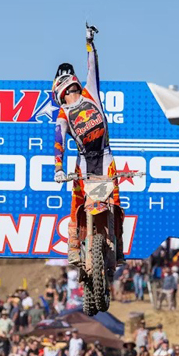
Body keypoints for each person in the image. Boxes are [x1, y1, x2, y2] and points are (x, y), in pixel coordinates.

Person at [52, 24, 124, 266]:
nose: (71, 93)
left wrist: (89, 43)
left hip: (104, 156)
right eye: (68, 91)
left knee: (115, 201)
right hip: (84, 161)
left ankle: (118, 246)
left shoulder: (89, 92)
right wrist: (58, 168)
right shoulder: (63, 114)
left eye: (72, 89)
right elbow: (58, 141)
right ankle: (74, 247)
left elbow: (93, 68)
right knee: (77, 202)